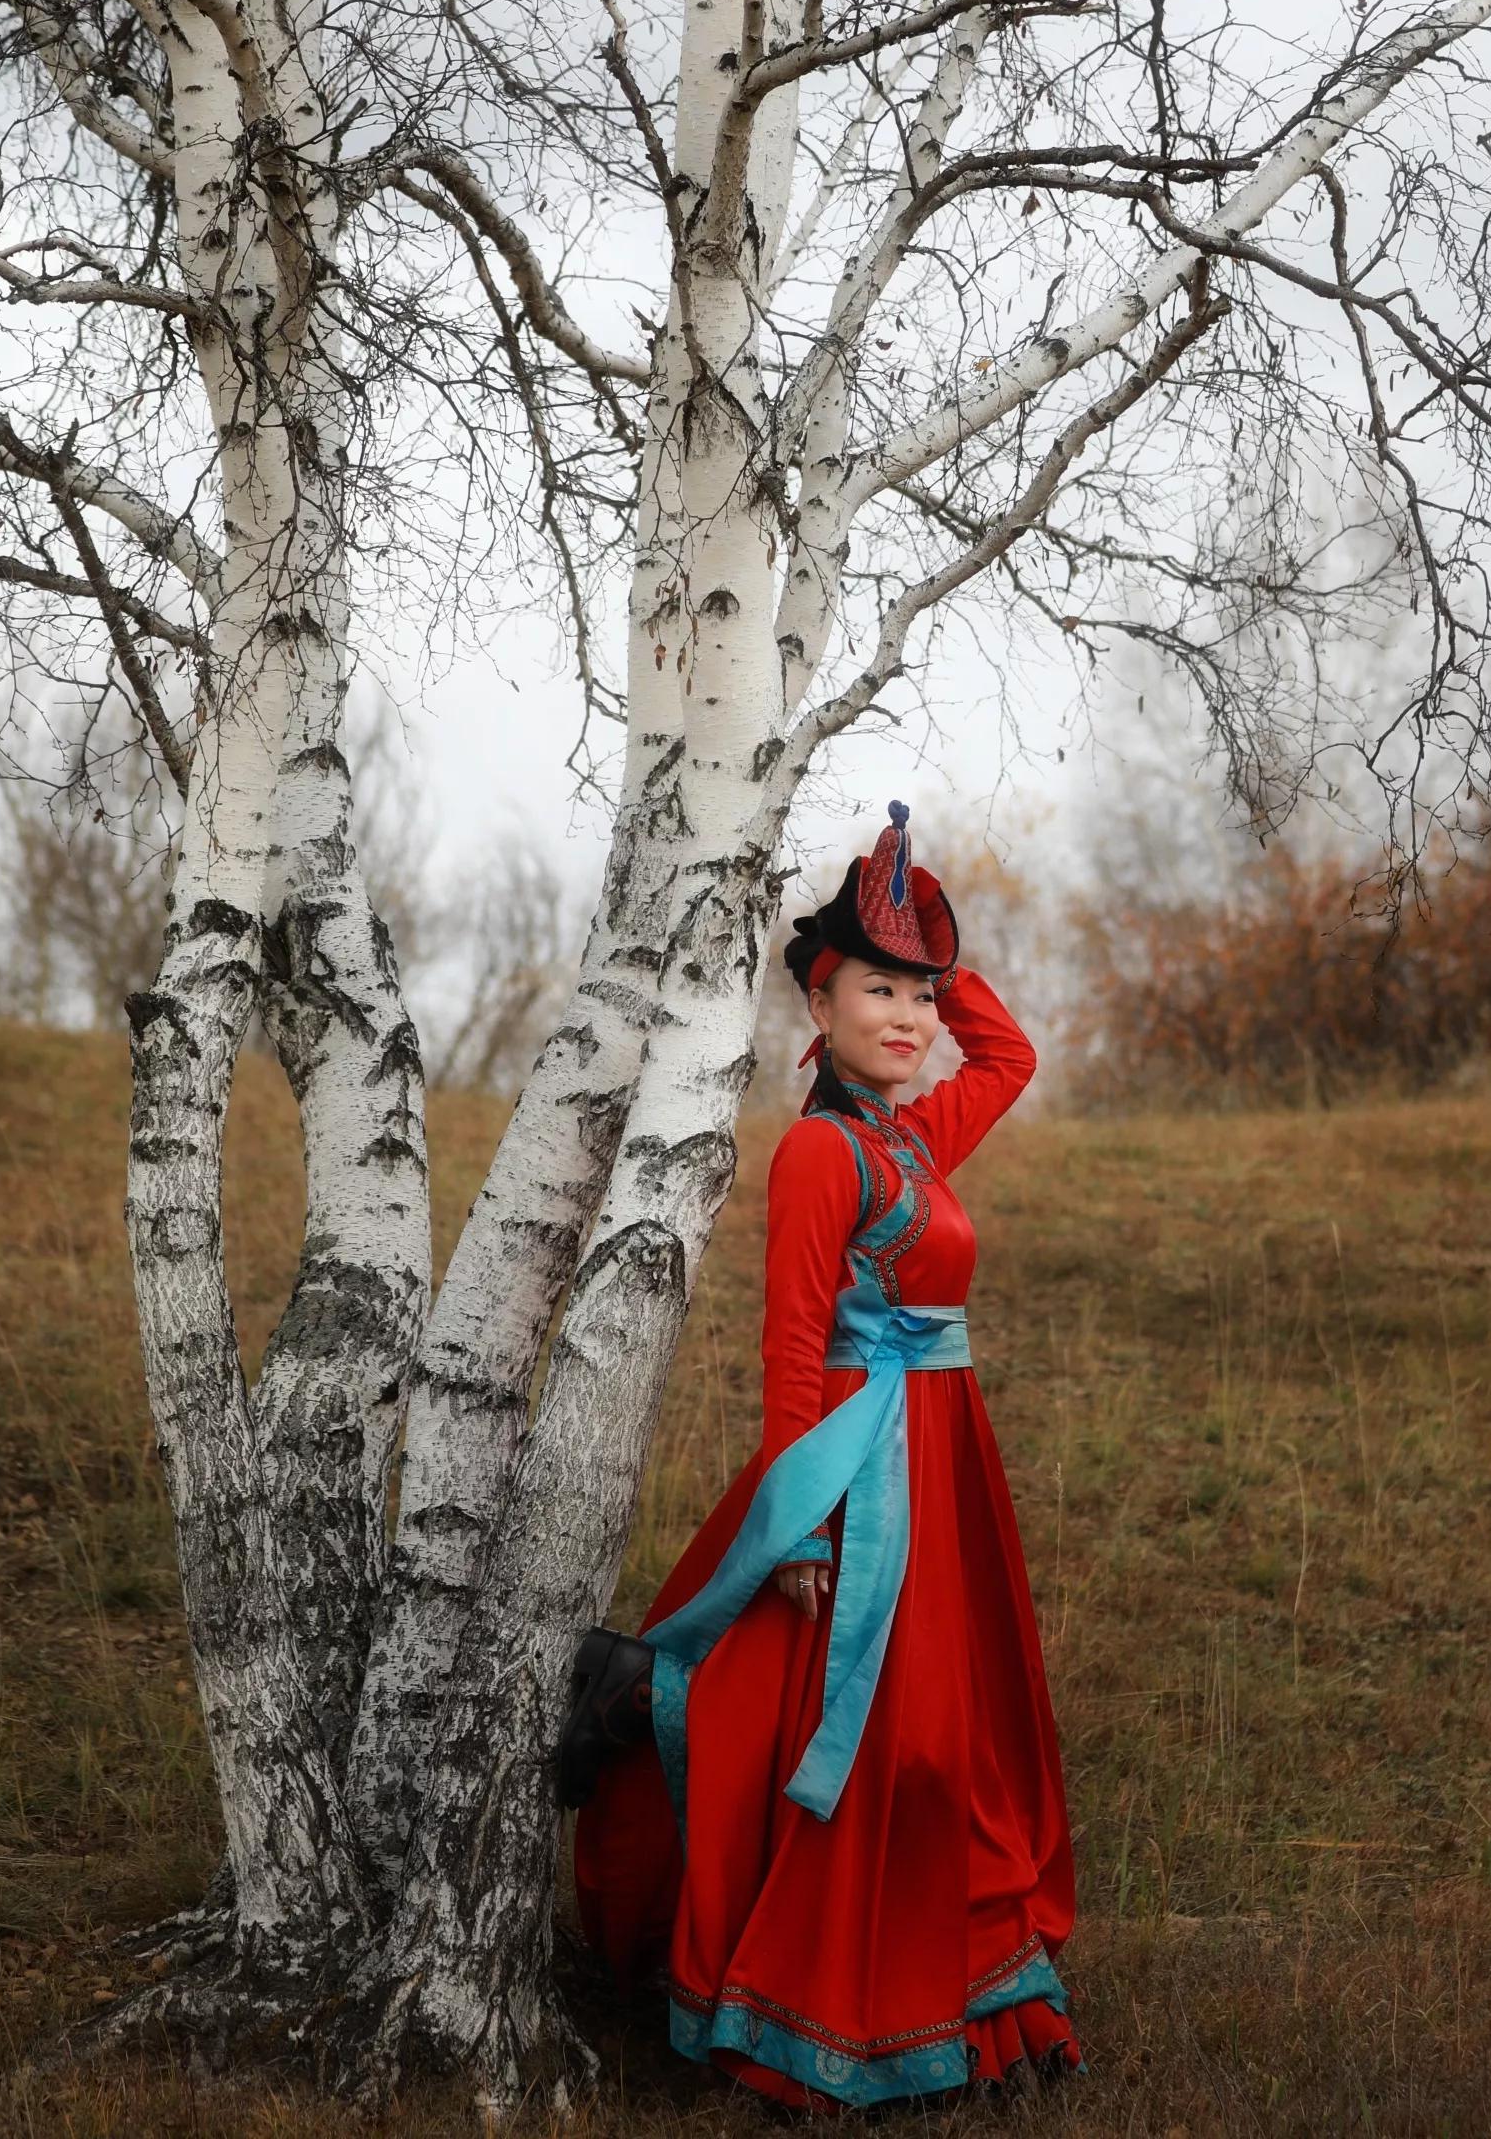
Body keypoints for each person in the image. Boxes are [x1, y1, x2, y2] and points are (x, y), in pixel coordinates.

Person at [573, 805, 1079, 2112]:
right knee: (869, 1744)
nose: (909, 1018)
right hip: (861, 1470)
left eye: (920, 997)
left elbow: (1010, 1055)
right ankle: (817, 2000)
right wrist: (799, 1528)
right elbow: (794, 1343)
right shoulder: (820, 1150)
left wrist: (927, 941)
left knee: (945, 1738)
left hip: (944, 1460)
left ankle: (943, 1979)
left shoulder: (916, 1140)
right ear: (819, 1001)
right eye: (877, 990)